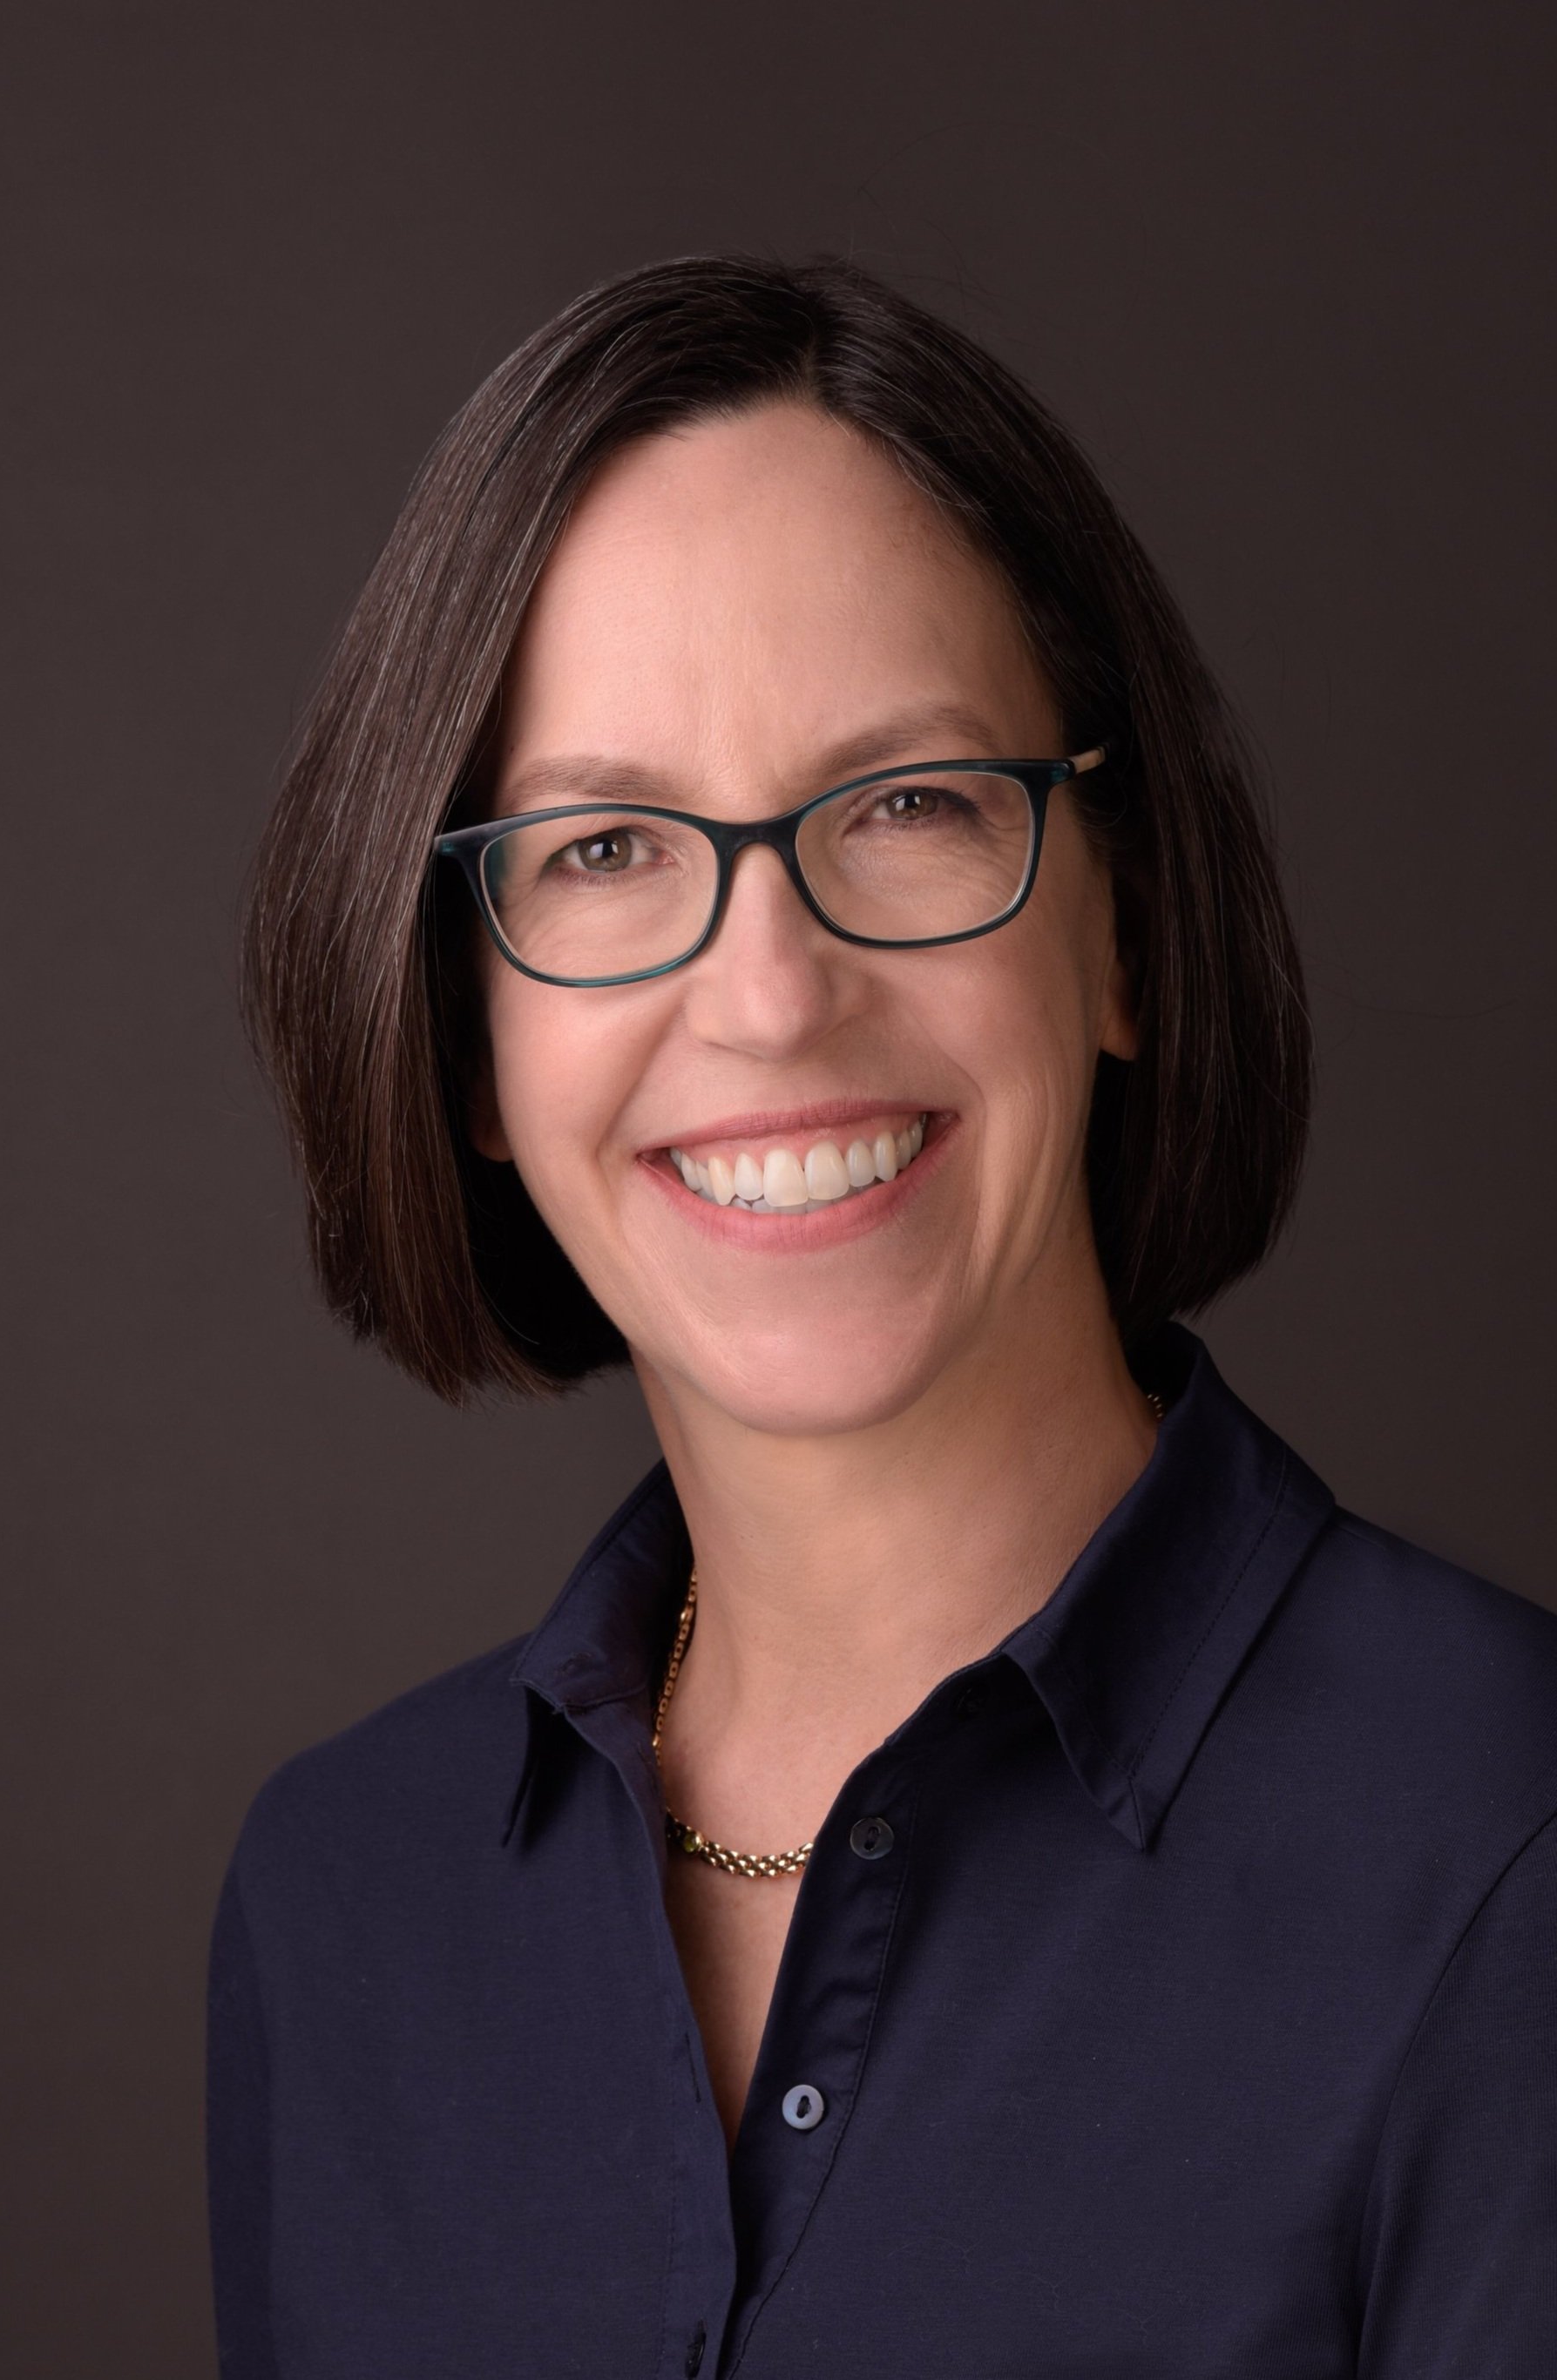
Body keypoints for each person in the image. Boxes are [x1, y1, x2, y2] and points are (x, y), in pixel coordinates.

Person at [213, 255, 1557, 2378]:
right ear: (469, 1041)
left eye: (911, 806)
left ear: (1121, 929)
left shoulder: (1507, 1852)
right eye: (604, 850)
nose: (770, 993)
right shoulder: (344, 1909)